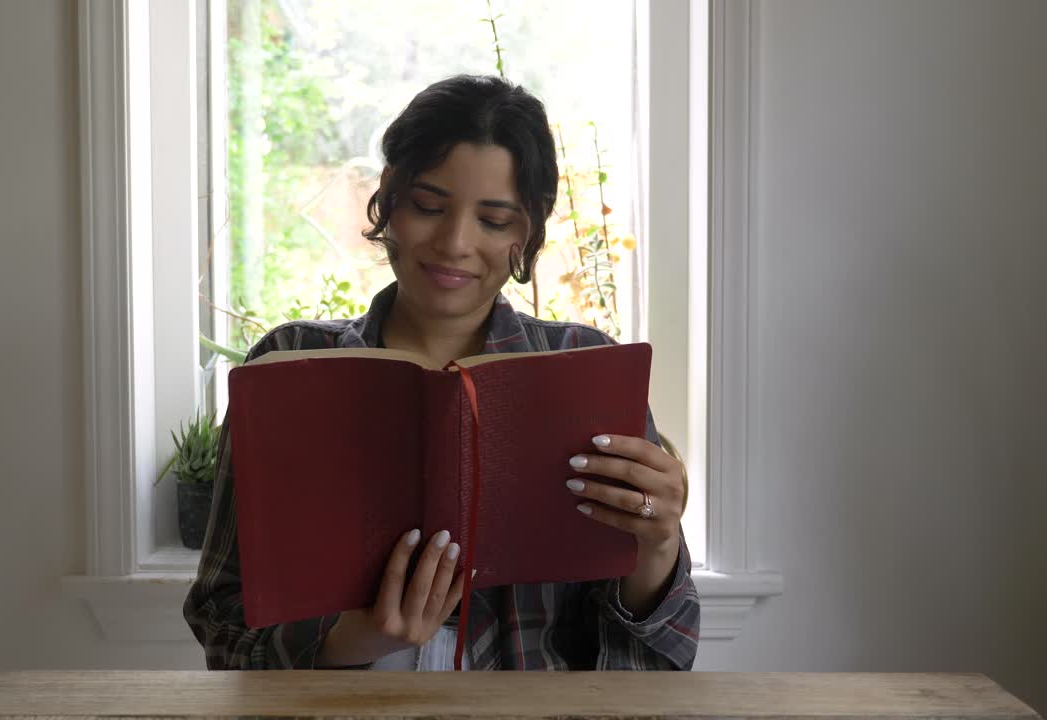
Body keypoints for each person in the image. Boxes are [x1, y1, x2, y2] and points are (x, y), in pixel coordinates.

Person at [183, 74, 699, 671]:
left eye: (494, 220)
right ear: (390, 201)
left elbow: (656, 665)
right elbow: (220, 621)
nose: (455, 242)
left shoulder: (585, 370)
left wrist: (658, 545)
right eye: (429, 206)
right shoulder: (289, 363)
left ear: (529, 230)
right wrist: (350, 643)